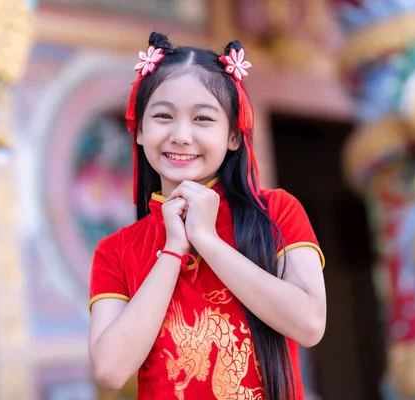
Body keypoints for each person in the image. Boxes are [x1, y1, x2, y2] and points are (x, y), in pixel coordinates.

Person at [88, 32, 326, 400]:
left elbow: (309, 324)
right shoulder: (115, 251)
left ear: (233, 135)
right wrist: (173, 250)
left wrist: (208, 241)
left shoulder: (277, 212)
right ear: (139, 130)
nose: (181, 135)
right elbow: (110, 370)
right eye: (163, 116)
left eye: (203, 119)